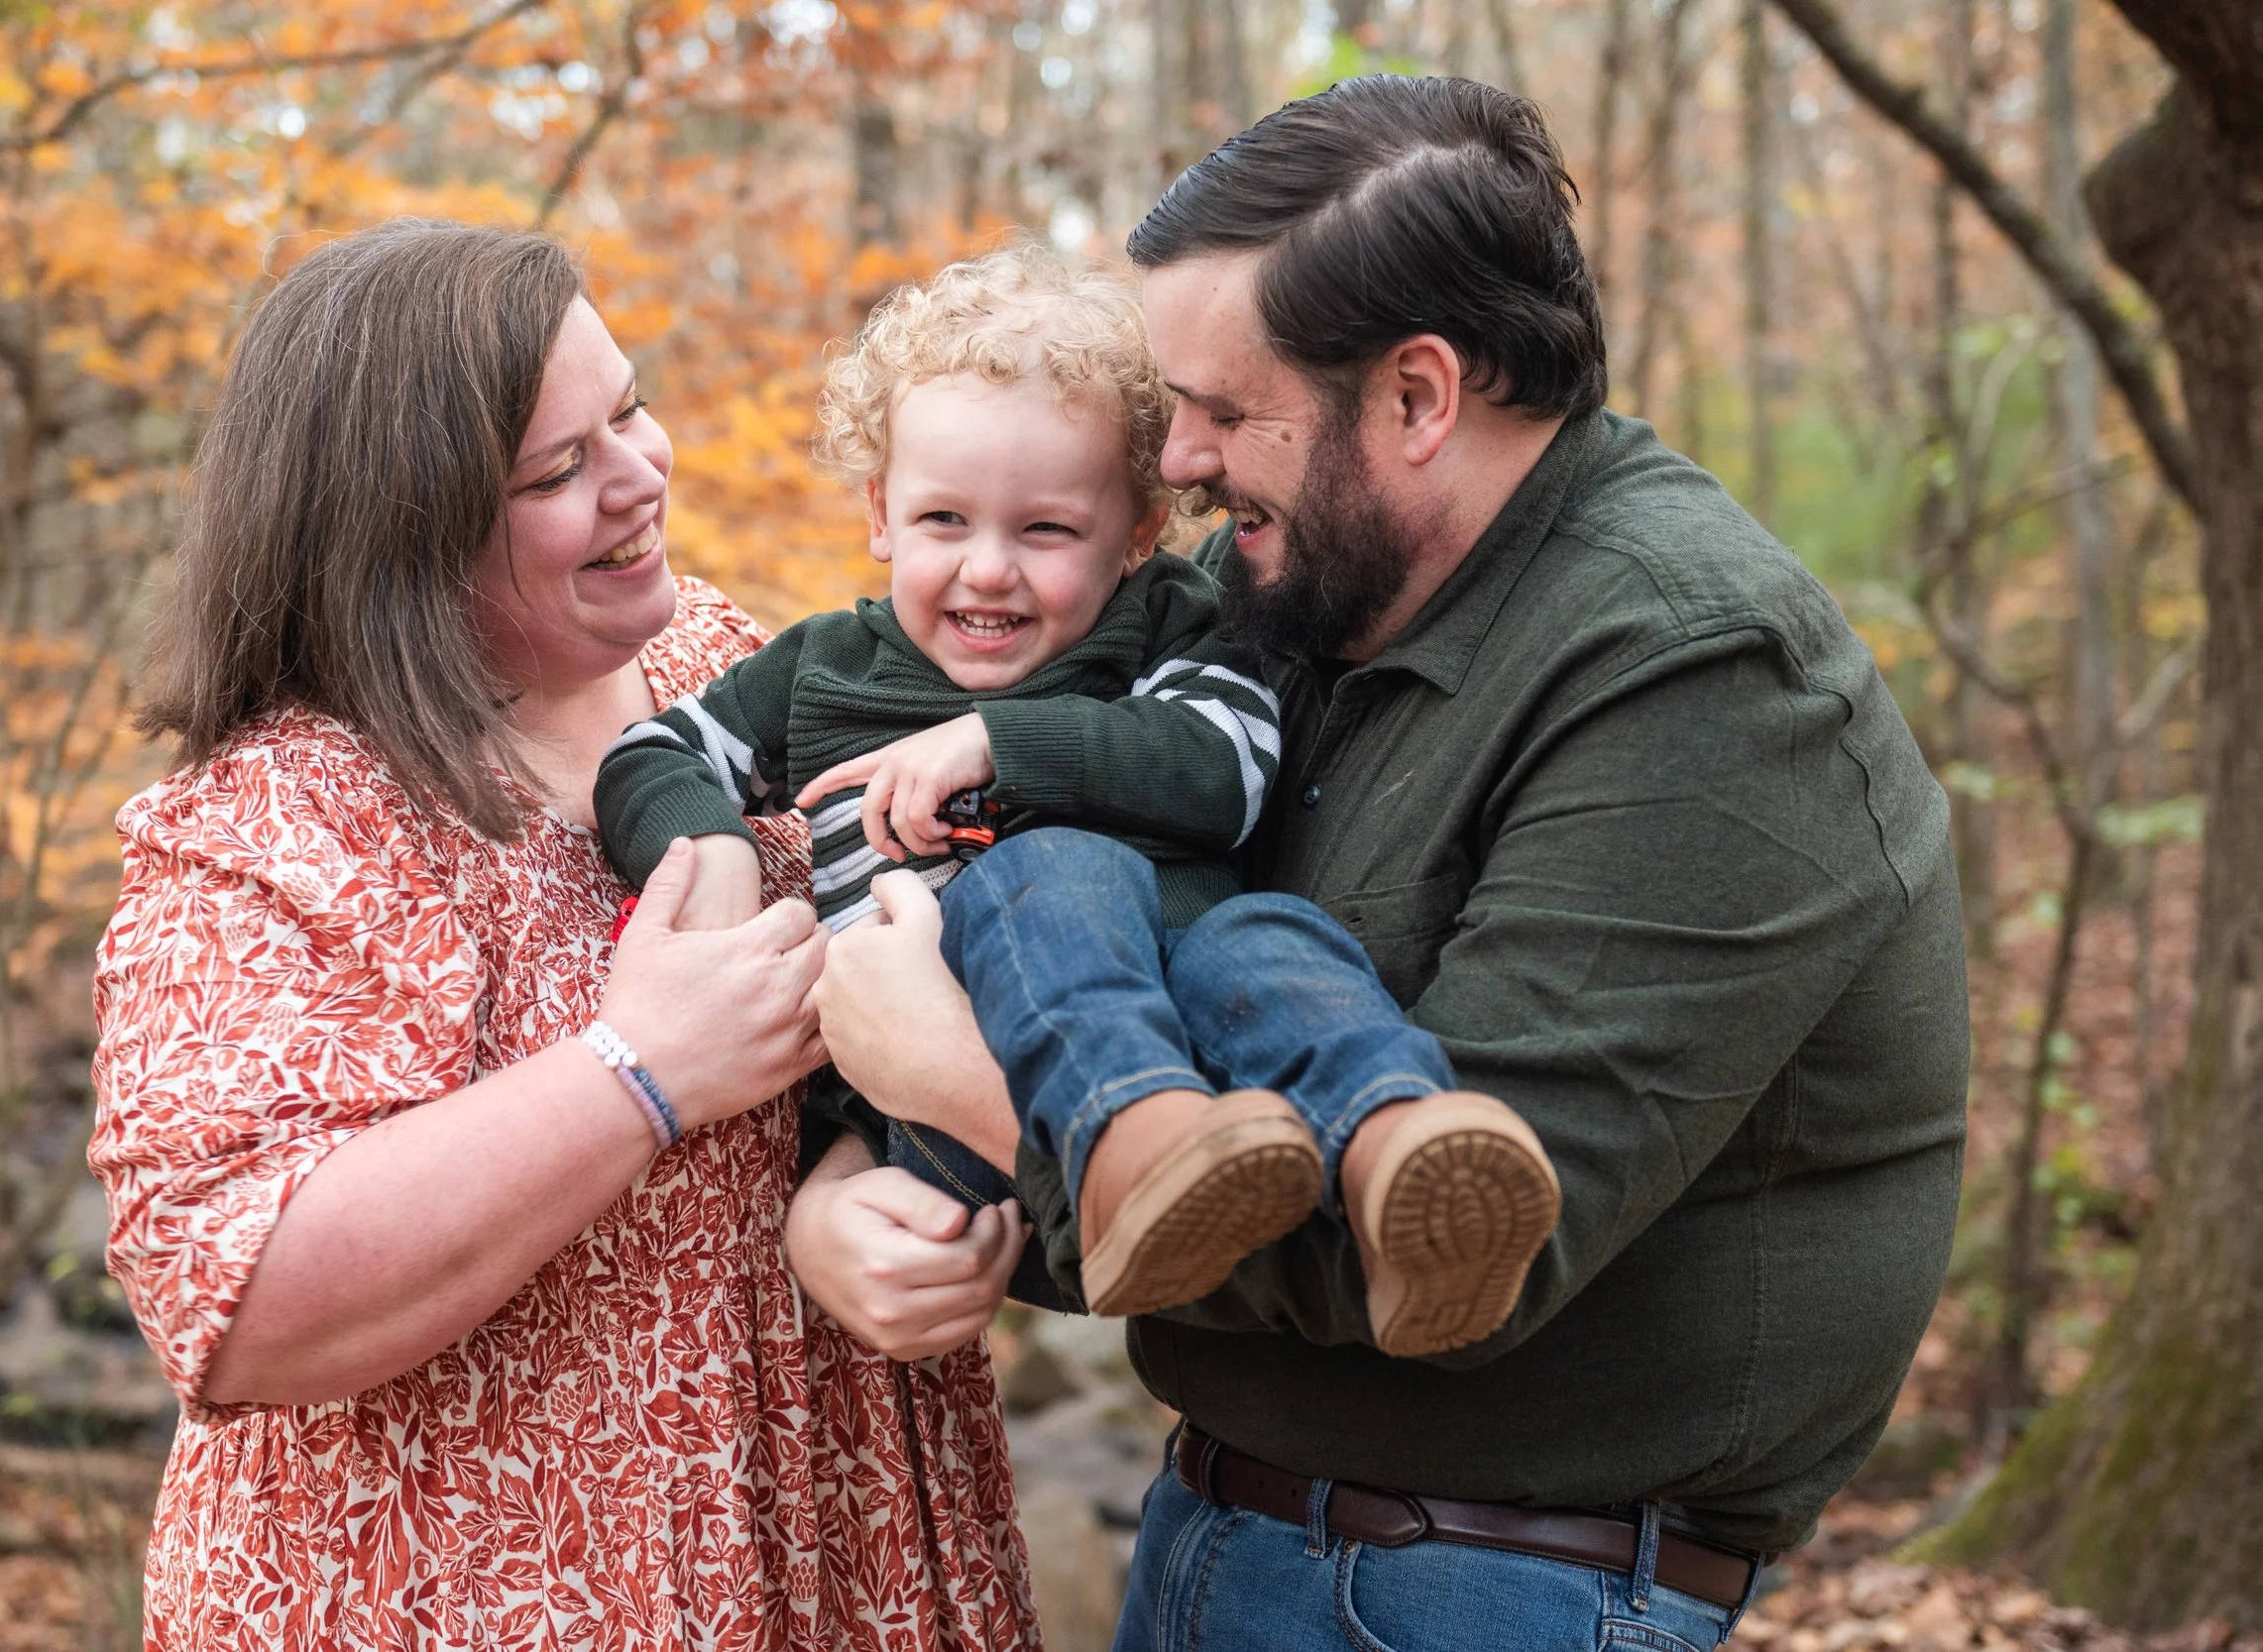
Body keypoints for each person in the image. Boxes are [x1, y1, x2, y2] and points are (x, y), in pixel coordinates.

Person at [812, 75, 1971, 1652]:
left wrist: (953, 1087)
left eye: (1225, 408)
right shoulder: (1283, 605)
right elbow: (1070, 959)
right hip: (1228, 1524)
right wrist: (842, 1179)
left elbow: (1460, 1251)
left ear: (1418, 396)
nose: (1186, 460)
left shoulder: (1698, 671)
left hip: (1499, 1586)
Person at [89, 219, 1033, 1650]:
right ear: (402, 532)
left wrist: (865, 1199)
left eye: (631, 408)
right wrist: (636, 1068)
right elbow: (235, 1296)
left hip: (822, 1552)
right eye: (558, 470)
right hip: (461, 1594)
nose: (643, 475)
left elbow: (931, 962)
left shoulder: (718, 661)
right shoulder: (283, 815)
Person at [596, 247, 1557, 1346]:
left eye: (1045, 530)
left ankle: (1408, 1164)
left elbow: (1226, 765)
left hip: (1200, 1050)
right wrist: (707, 848)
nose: (989, 568)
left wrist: (1000, 741)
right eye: (943, 521)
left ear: (1138, 533)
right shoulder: (824, 668)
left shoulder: (1162, 623)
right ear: (879, 512)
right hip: (951, 1102)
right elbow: (644, 755)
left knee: (1268, 935)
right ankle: (1135, 1148)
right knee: (1047, 867)